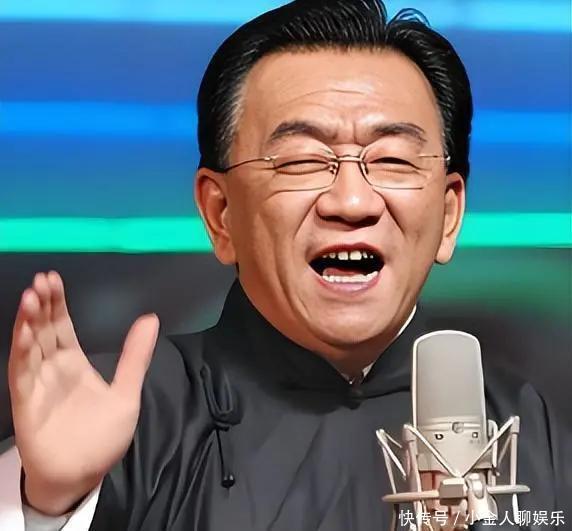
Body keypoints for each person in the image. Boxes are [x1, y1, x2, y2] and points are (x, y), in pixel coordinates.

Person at [0, 1, 569, 530]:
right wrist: (48, 504)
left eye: (393, 159)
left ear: (449, 215)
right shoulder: (126, 414)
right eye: (302, 160)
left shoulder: (525, 427)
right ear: (220, 214)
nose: (352, 202)